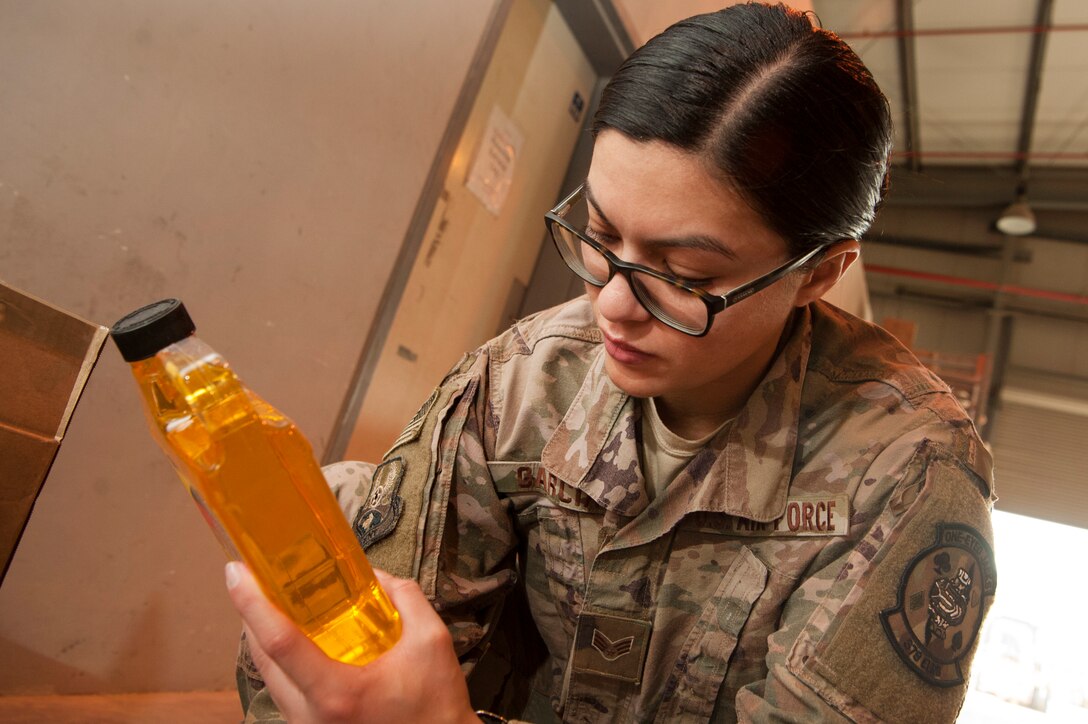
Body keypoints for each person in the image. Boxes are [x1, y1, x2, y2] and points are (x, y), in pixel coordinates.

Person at [230, 3, 996, 722]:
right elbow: (360, 652)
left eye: (685, 277)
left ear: (819, 273)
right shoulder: (528, 376)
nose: (612, 307)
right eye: (601, 236)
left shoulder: (907, 473)